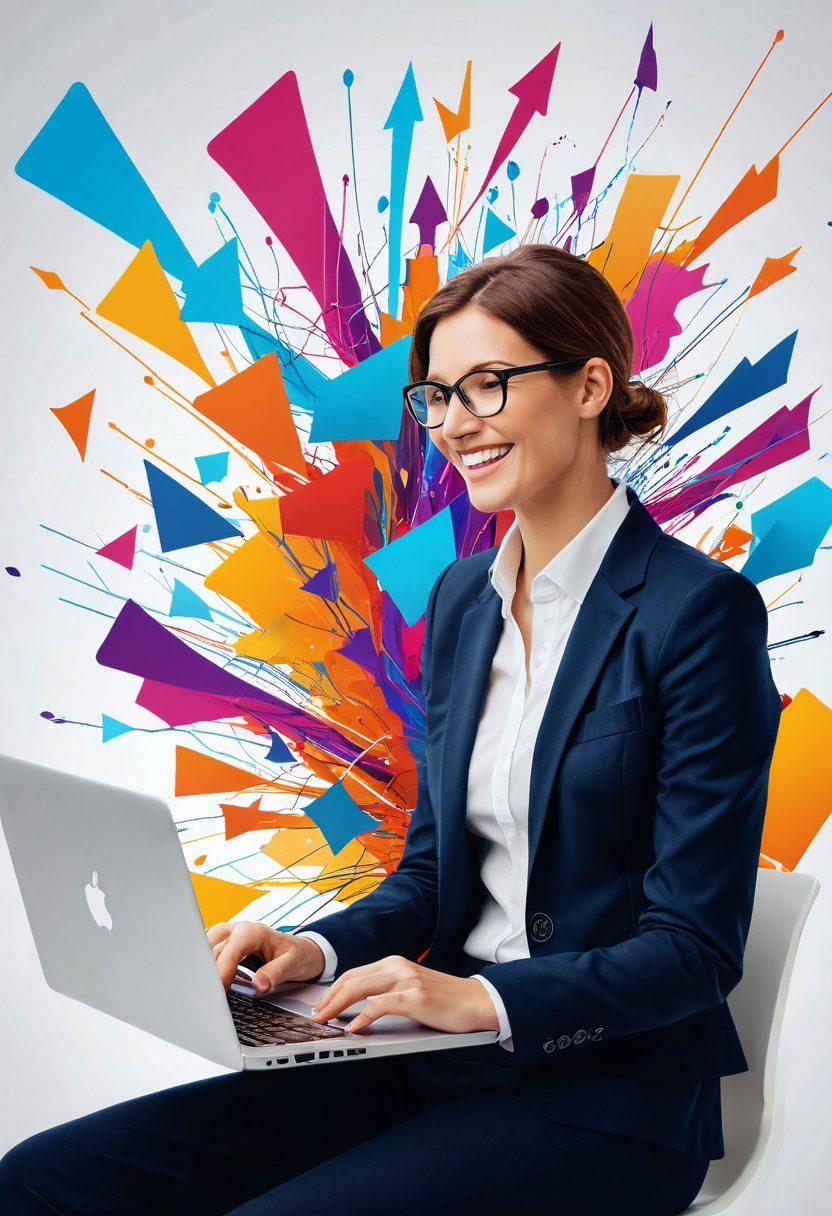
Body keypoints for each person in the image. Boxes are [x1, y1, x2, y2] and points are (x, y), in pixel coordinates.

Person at [0, 243, 782, 1214]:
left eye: (488, 386)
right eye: (436, 397)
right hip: (422, 1059)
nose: (454, 425)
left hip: (604, 1104)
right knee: (41, 1176)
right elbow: (431, 872)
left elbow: (693, 947)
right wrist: (312, 952)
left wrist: (487, 999)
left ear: (589, 385)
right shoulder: (462, 599)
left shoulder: (697, 613)